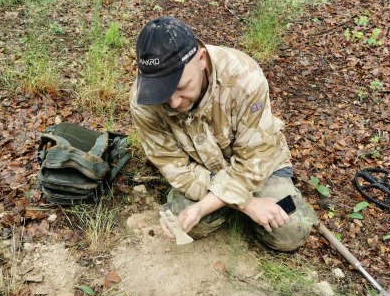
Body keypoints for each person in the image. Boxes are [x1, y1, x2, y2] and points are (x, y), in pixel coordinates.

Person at [130, 16, 316, 251]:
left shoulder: (243, 77)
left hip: (258, 166)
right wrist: (246, 204)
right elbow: (175, 168)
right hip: (203, 172)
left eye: (181, 87)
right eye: (162, 93)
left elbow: (254, 162)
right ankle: (229, 208)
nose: (175, 103)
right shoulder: (143, 101)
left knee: (289, 232)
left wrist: (206, 205)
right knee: (183, 222)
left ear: (201, 60)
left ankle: (227, 207)